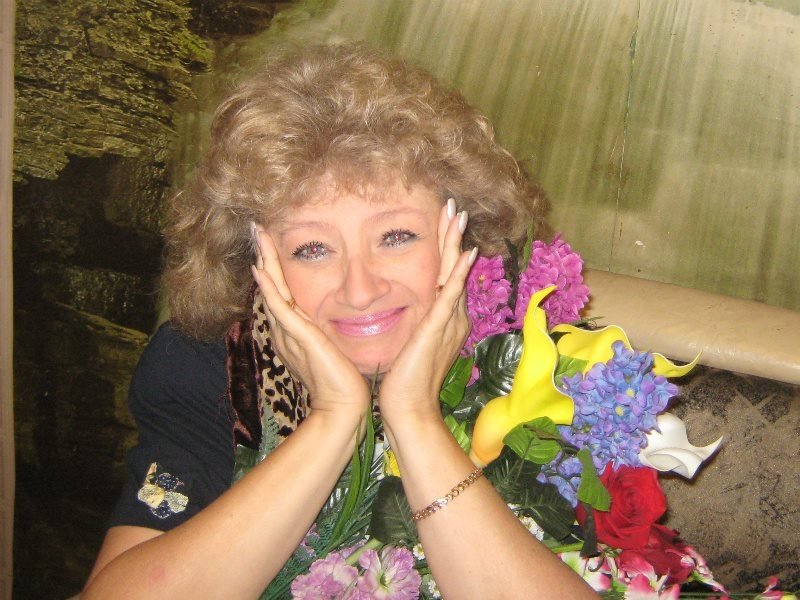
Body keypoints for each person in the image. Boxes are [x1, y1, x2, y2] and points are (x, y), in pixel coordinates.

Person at [82, 43, 597, 598]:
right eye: (312, 249)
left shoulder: (534, 363)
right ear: (258, 261)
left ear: (460, 231)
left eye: (395, 237)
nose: (360, 289)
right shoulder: (214, 366)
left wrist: (415, 418)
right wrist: (333, 419)